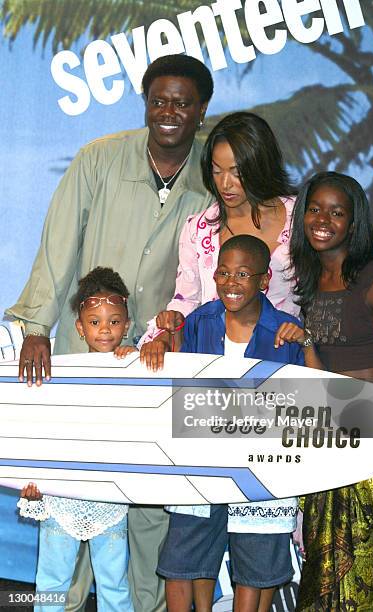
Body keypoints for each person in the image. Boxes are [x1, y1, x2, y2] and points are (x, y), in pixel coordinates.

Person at [6, 54, 214, 612]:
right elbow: (57, 246)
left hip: (155, 362)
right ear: (145, 103)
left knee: (146, 501)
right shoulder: (98, 158)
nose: (169, 111)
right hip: (84, 358)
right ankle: (61, 604)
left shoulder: (213, 178)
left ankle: (140, 606)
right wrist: (36, 326)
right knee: (69, 494)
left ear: (202, 111)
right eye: (159, 99)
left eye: (183, 102)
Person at [284, 171, 373, 611]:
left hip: (372, 434)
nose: (323, 219)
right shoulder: (309, 282)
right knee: (321, 565)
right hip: (324, 433)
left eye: (336, 212)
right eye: (315, 209)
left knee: (358, 566)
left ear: (353, 222)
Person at [156, 235, 304, 612]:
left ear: (264, 280)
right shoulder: (199, 322)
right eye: (223, 273)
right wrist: (167, 339)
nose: (230, 282)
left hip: (260, 466)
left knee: (257, 563)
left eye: (242, 274)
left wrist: (310, 344)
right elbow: (180, 388)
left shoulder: (286, 331)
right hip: (203, 461)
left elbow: (308, 400)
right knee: (182, 557)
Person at [139, 111, 299, 370]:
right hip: (212, 367)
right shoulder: (198, 229)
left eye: (237, 172)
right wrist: (165, 335)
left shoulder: (301, 219)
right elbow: (187, 300)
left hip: (284, 362)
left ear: (260, 166)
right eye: (216, 171)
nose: (225, 184)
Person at [18, 267, 134, 612]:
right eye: (95, 322)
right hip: (60, 496)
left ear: (126, 325)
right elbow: (42, 429)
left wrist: (139, 363)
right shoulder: (60, 374)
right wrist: (32, 478)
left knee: (114, 582)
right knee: (52, 581)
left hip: (110, 498)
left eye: (114, 321)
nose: (105, 330)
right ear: (80, 328)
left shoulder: (139, 369)